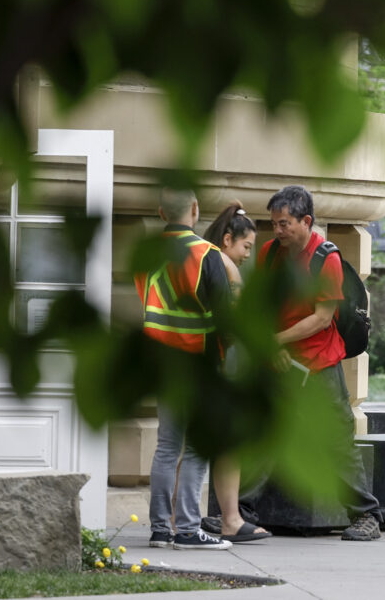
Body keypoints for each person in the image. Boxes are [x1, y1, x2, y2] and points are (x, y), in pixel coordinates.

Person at [258, 185, 384, 542]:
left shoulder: (325, 257)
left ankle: (367, 516)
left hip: (319, 364)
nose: (278, 231)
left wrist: (276, 340)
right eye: (274, 224)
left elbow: (320, 318)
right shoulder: (269, 254)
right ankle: (243, 514)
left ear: (306, 221)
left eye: (284, 224)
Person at [136, 187, 232, 550]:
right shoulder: (207, 254)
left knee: (166, 447)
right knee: (194, 450)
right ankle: (189, 531)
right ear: (195, 208)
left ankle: (160, 530)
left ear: (161, 212)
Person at [197, 201, 271, 543]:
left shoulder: (201, 257)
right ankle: (230, 518)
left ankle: (186, 517)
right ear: (228, 239)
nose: (247, 255)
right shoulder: (224, 264)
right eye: (246, 246)